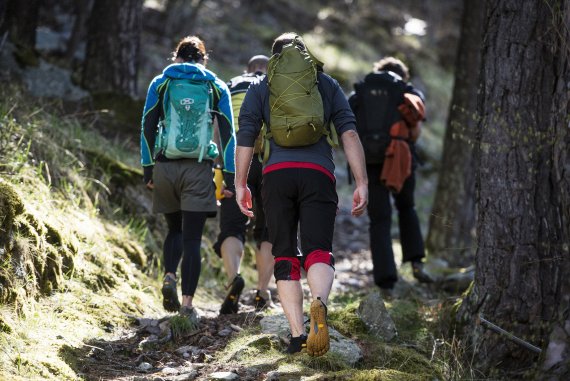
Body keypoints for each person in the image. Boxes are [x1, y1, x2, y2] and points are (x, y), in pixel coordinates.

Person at [235, 33, 368, 357]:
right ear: (305, 56)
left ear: (274, 57)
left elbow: (247, 137)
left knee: (284, 253)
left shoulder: (260, 86)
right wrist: (362, 182)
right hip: (318, 174)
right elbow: (349, 132)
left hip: (276, 175)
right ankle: (318, 304)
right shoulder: (325, 83)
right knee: (318, 249)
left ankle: (297, 336)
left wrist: (241, 183)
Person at [140, 36, 236, 322]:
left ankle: (169, 275)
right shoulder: (215, 85)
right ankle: (187, 304)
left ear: (176, 58)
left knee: (174, 230)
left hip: (165, 167)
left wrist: (148, 169)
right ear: (203, 60)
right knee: (193, 238)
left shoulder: (162, 82)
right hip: (198, 169)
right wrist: (229, 178)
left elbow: (146, 124)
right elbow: (230, 134)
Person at [348, 57, 434, 297]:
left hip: (370, 160)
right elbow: (415, 131)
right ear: (402, 75)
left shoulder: (361, 92)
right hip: (399, 159)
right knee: (407, 207)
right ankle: (416, 262)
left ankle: (386, 283)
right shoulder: (404, 91)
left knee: (379, 220)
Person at [213, 55, 275, 314]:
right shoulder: (275, 85)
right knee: (268, 230)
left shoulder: (230, 85)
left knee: (232, 227)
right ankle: (261, 291)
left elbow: (218, 127)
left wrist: (217, 166)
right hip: (269, 161)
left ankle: (233, 280)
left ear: (247, 69)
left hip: (234, 161)